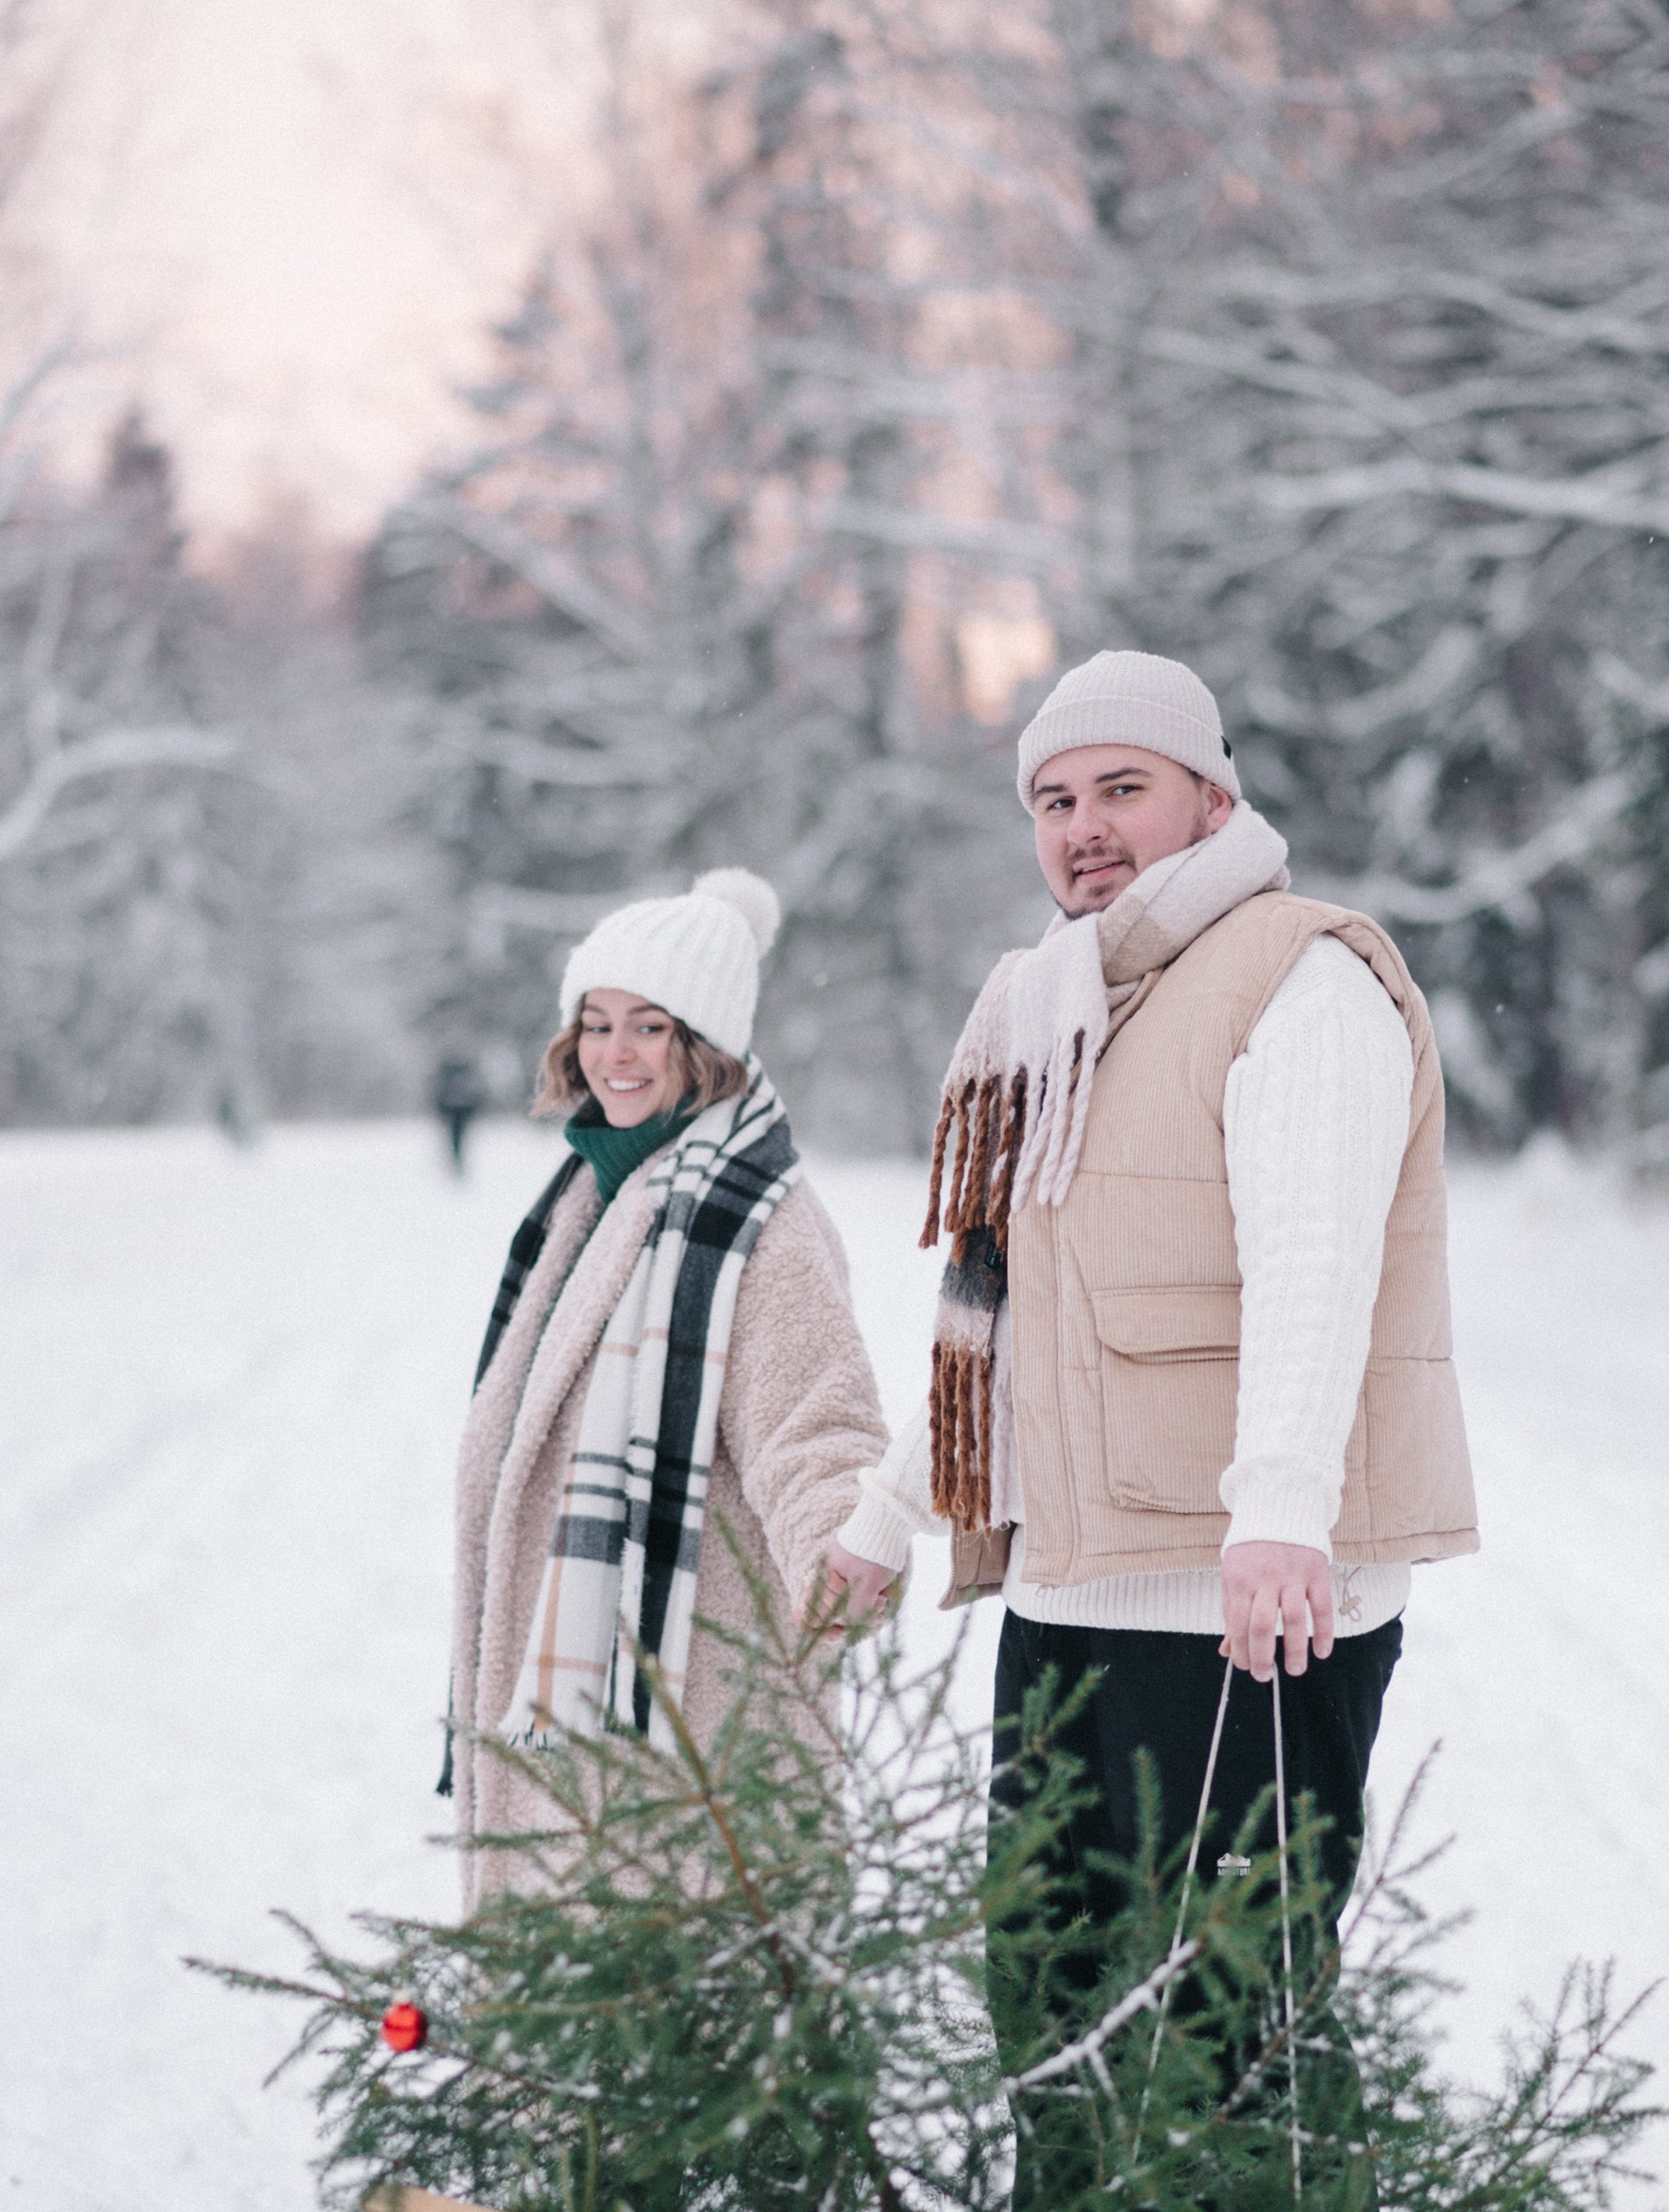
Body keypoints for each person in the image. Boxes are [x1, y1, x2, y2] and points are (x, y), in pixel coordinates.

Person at [835, 644, 1478, 2091]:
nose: (1081, 829)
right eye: (1051, 800)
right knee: (1048, 2020)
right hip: (1068, 1591)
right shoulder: (1053, 1006)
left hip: (1243, 1604)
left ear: (1210, 797)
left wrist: (1276, 1518)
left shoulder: (1298, 977)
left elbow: (1316, 1271)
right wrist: (890, 1515)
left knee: (1234, 2046)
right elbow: (997, 1309)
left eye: (1121, 788)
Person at [450, 868, 893, 1905]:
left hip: (691, 1706)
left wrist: (839, 1536)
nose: (615, 1053)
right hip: (573, 1699)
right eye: (596, 1023)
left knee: (667, 2013)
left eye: (650, 1026)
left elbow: (817, 1421)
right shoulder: (589, 1192)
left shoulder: (758, 1222)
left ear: (707, 1046)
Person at [433, 1051, 482, 1175]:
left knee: (458, 1139)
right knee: (455, 1139)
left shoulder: (457, 1078)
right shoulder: (455, 1078)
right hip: (454, 1114)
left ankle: (458, 1160)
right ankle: (456, 1160)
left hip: (459, 1114)